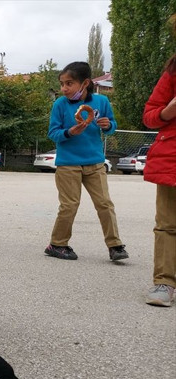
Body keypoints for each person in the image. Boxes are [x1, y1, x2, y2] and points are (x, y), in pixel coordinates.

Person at [45, 61, 128, 262]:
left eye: (69, 83)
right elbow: (53, 133)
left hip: (95, 163)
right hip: (68, 164)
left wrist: (108, 125)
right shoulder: (60, 104)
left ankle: (115, 246)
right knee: (69, 205)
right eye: (62, 84)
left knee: (105, 204)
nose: (64, 88)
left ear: (85, 83)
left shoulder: (101, 102)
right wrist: (69, 132)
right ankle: (57, 244)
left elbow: (112, 125)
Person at [142, 53, 176, 306]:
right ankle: (164, 282)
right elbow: (149, 116)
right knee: (167, 225)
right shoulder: (172, 72)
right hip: (171, 158)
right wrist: (168, 111)